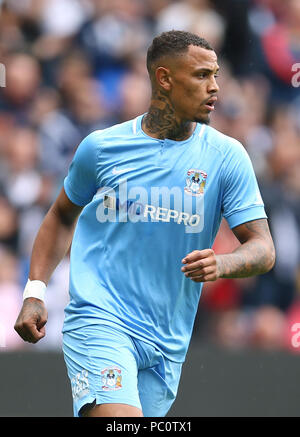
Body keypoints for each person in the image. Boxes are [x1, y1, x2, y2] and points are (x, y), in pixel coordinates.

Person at [14, 30, 276, 417]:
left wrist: (223, 263)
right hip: (100, 320)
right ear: (165, 79)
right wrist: (34, 291)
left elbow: (263, 248)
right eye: (202, 75)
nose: (215, 87)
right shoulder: (102, 148)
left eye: (216, 75)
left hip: (167, 343)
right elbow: (61, 215)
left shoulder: (227, 157)